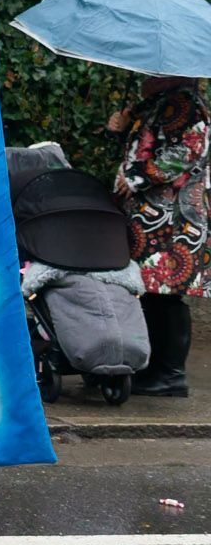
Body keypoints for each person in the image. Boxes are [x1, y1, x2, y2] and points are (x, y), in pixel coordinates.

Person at [111, 75, 211, 396]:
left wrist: (140, 176)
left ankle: (170, 374)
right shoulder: (159, 104)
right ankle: (156, 369)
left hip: (174, 218)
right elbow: (142, 149)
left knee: (166, 294)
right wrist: (121, 128)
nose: (145, 78)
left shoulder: (187, 104)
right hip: (154, 216)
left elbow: (187, 149)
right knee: (153, 293)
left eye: (154, 74)